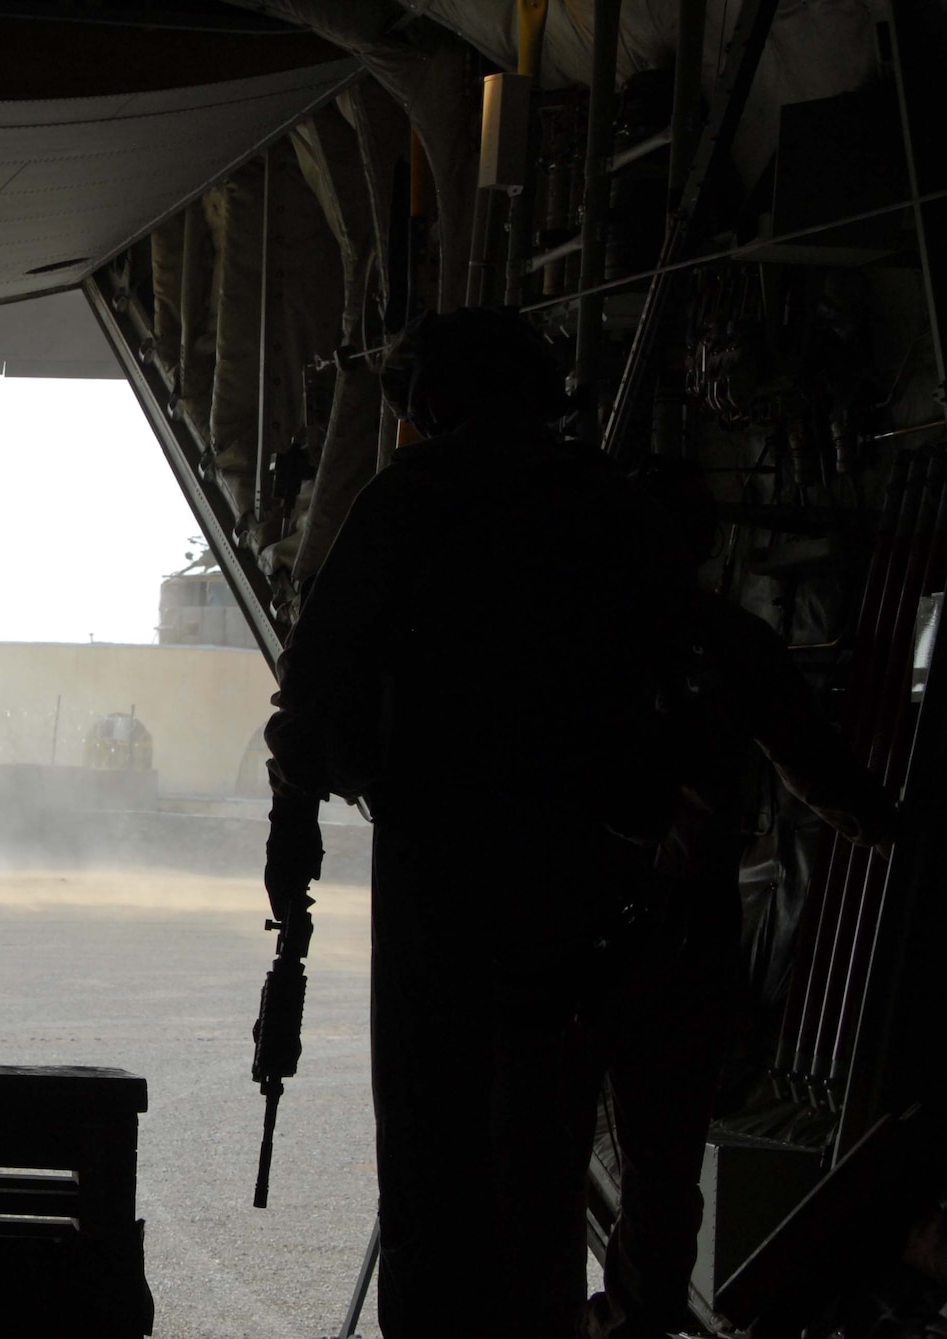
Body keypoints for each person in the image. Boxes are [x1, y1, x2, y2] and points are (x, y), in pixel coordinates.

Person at [264, 307, 685, 1338]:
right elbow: (663, 687)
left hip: (436, 870)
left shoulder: (411, 496)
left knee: (429, 1146)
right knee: (542, 1159)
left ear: (436, 398)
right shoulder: (608, 505)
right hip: (575, 880)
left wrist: (293, 854)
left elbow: (311, 687)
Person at [581, 459, 900, 1339]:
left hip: (587, 933)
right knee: (660, 1172)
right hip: (680, 936)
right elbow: (819, 768)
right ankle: (635, 1322)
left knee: (552, 1150)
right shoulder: (727, 641)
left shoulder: (576, 640)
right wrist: (894, 831)